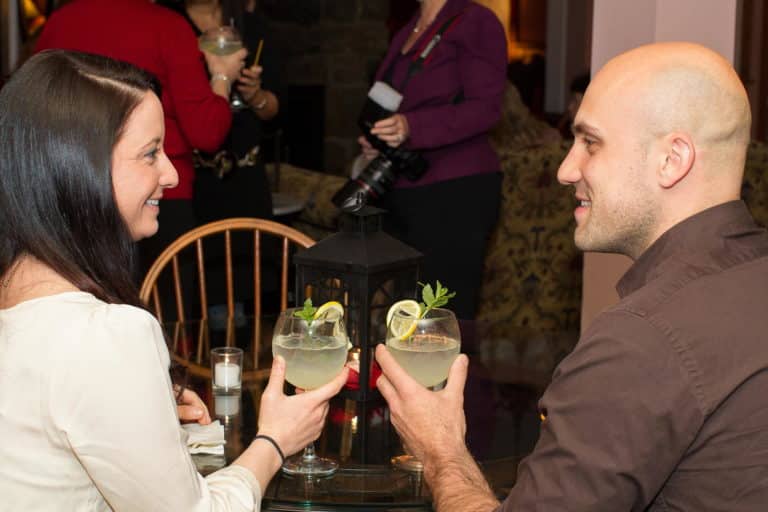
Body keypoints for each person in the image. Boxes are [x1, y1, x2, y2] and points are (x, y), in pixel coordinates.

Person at [375, 41, 768, 511]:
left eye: (591, 143)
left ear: (672, 159)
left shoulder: (640, 340)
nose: (565, 169)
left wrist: (442, 453)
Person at [0, 49, 347, 510]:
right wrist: (275, 440)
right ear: (78, 170)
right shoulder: (104, 336)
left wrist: (138, 408)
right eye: (150, 154)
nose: (171, 173)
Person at [34, 0, 246, 280]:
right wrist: (222, 76)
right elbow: (207, 131)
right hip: (155, 200)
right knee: (164, 315)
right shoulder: (167, 25)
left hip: (72, 197)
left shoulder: (60, 21)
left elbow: (34, 114)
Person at [358, 0, 506, 331]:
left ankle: (448, 386)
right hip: (405, 191)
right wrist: (379, 140)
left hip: (455, 191)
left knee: (439, 322)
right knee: (402, 321)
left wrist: (412, 127)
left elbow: (486, 109)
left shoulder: (475, 21)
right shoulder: (407, 29)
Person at [157, 0, 281, 311]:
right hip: (195, 182)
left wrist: (256, 97)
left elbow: (276, 109)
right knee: (196, 294)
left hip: (244, 179)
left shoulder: (252, 26)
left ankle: (241, 355)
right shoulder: (169, 24)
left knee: (246, 292)